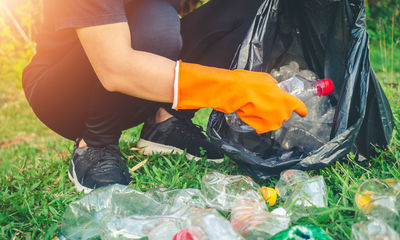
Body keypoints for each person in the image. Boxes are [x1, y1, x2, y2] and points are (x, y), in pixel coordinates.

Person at [22, 0, 307, 193]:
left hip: (141, 74)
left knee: (252, 6)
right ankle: (95, 143)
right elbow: (115, 68)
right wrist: (233, 88)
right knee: (156, 22)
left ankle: (167, 124)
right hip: (65, 93)